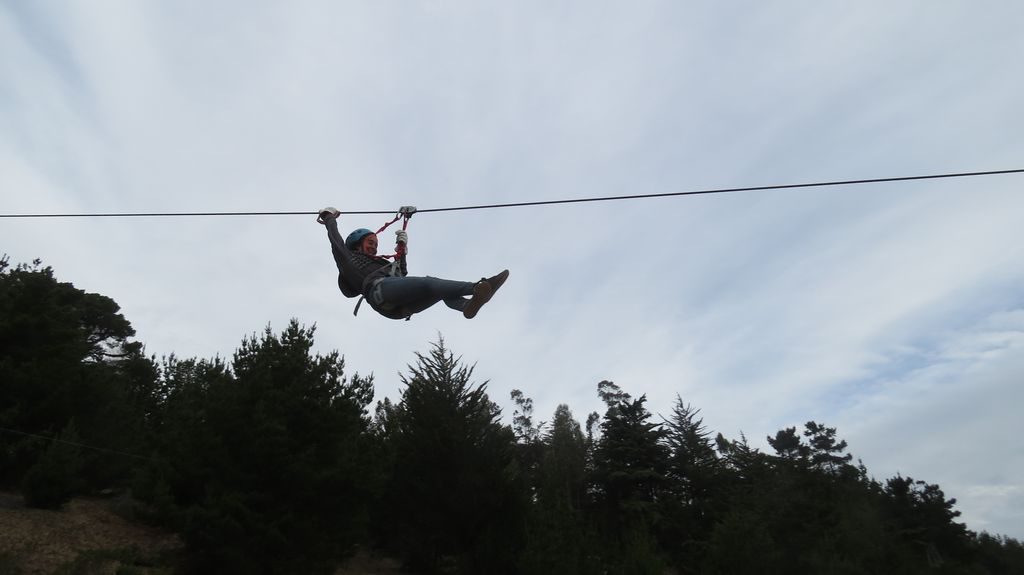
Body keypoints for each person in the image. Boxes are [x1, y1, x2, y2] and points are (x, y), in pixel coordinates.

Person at [317, 207, 509, 320]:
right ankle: (479, 288)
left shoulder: (380, 265)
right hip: (379, 293)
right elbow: (335, 242)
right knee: (429, 282)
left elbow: (401, 276)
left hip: (398, 307)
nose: (374, 248)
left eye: (375, 244)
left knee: (441, 290)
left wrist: (403, 246)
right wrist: (329, 218)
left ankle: (466, 307)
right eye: (370, 243)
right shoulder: (349, 260)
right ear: (357, 244)